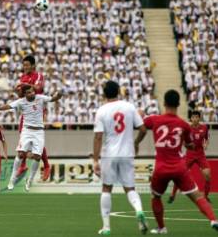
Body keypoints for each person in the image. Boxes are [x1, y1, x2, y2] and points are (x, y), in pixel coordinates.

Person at [139, 90, 218, 234]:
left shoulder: (155, 119)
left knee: (156, 196)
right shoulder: (184, 124)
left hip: (161, 167)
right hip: (179, 167)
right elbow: (190, 145)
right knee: (197, 196)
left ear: (164, 103)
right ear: (178, 104)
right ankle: (213, 219)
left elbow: (140, 124)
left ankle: (161, 227)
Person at [93, 81, 148, 235]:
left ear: (104, 94)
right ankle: (139, 211)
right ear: (118, 91)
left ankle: (106, 227)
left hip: (109, 154)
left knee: (106, 188)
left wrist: (95, 160)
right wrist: (136, 143)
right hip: (127, 153)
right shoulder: (129, 107)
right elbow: (143, 129)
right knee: (130, 188)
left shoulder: (101, 110)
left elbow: (98, 137)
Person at [0, 85, 62, 191]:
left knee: (37, 157)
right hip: (27, 130)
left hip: (39, 131)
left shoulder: (40, 98)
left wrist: (59, 94)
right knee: (20, 153)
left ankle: (30, 180)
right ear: (25, 94)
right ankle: (12, 179)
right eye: (29, 92)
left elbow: (53, 99)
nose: (32, 93)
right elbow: (9, 106)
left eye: (33, 91)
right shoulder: (21, 101)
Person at [13, 55, 51, 184]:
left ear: (33, 65)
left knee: (37, 137)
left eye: (27, 65)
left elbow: (38, 89)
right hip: (27, 109)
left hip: (37, 109)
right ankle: (23, 164)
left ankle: (46, 165)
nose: (25, 67)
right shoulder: (23, 77)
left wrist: (24, 85)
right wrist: (17, 91)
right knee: (22, 134)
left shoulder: (38, 76)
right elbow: (21, 94)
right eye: (24, 65)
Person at [168, 110, 211, 203]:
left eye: (196, 117)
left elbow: (207, 139)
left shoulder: (204, 128)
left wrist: (206, 145)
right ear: (191, 118)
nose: (195, 119)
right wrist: (186, 145)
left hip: (200, 154)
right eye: (193, 117)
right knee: (180, 174)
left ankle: (206, 196)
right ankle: (173, 194)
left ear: (199, 118)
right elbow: (183, 141)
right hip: (190, 154)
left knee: (207, 175)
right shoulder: (187, 128)